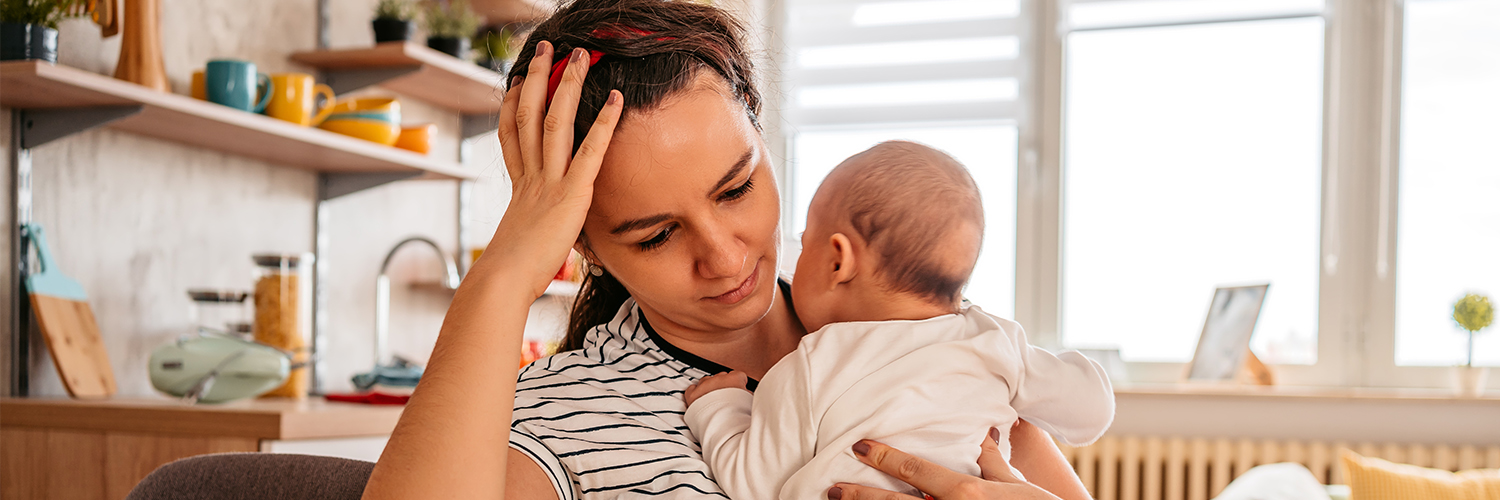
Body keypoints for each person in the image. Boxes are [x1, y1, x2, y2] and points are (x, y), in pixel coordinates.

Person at [359, 1, 1096, 499]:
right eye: (655, 234)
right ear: (581, 241)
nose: (723, 257)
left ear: (763, 134)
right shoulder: (570, 415)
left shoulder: (921, 332)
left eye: (737, 188)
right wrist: (503, 276)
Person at [681, 141, 1115, 500]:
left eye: (804, 239)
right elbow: (1092, 413)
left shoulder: (809, 364)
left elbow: (753, 482)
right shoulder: (996, 341)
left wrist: (716, 407)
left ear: (837, 260)